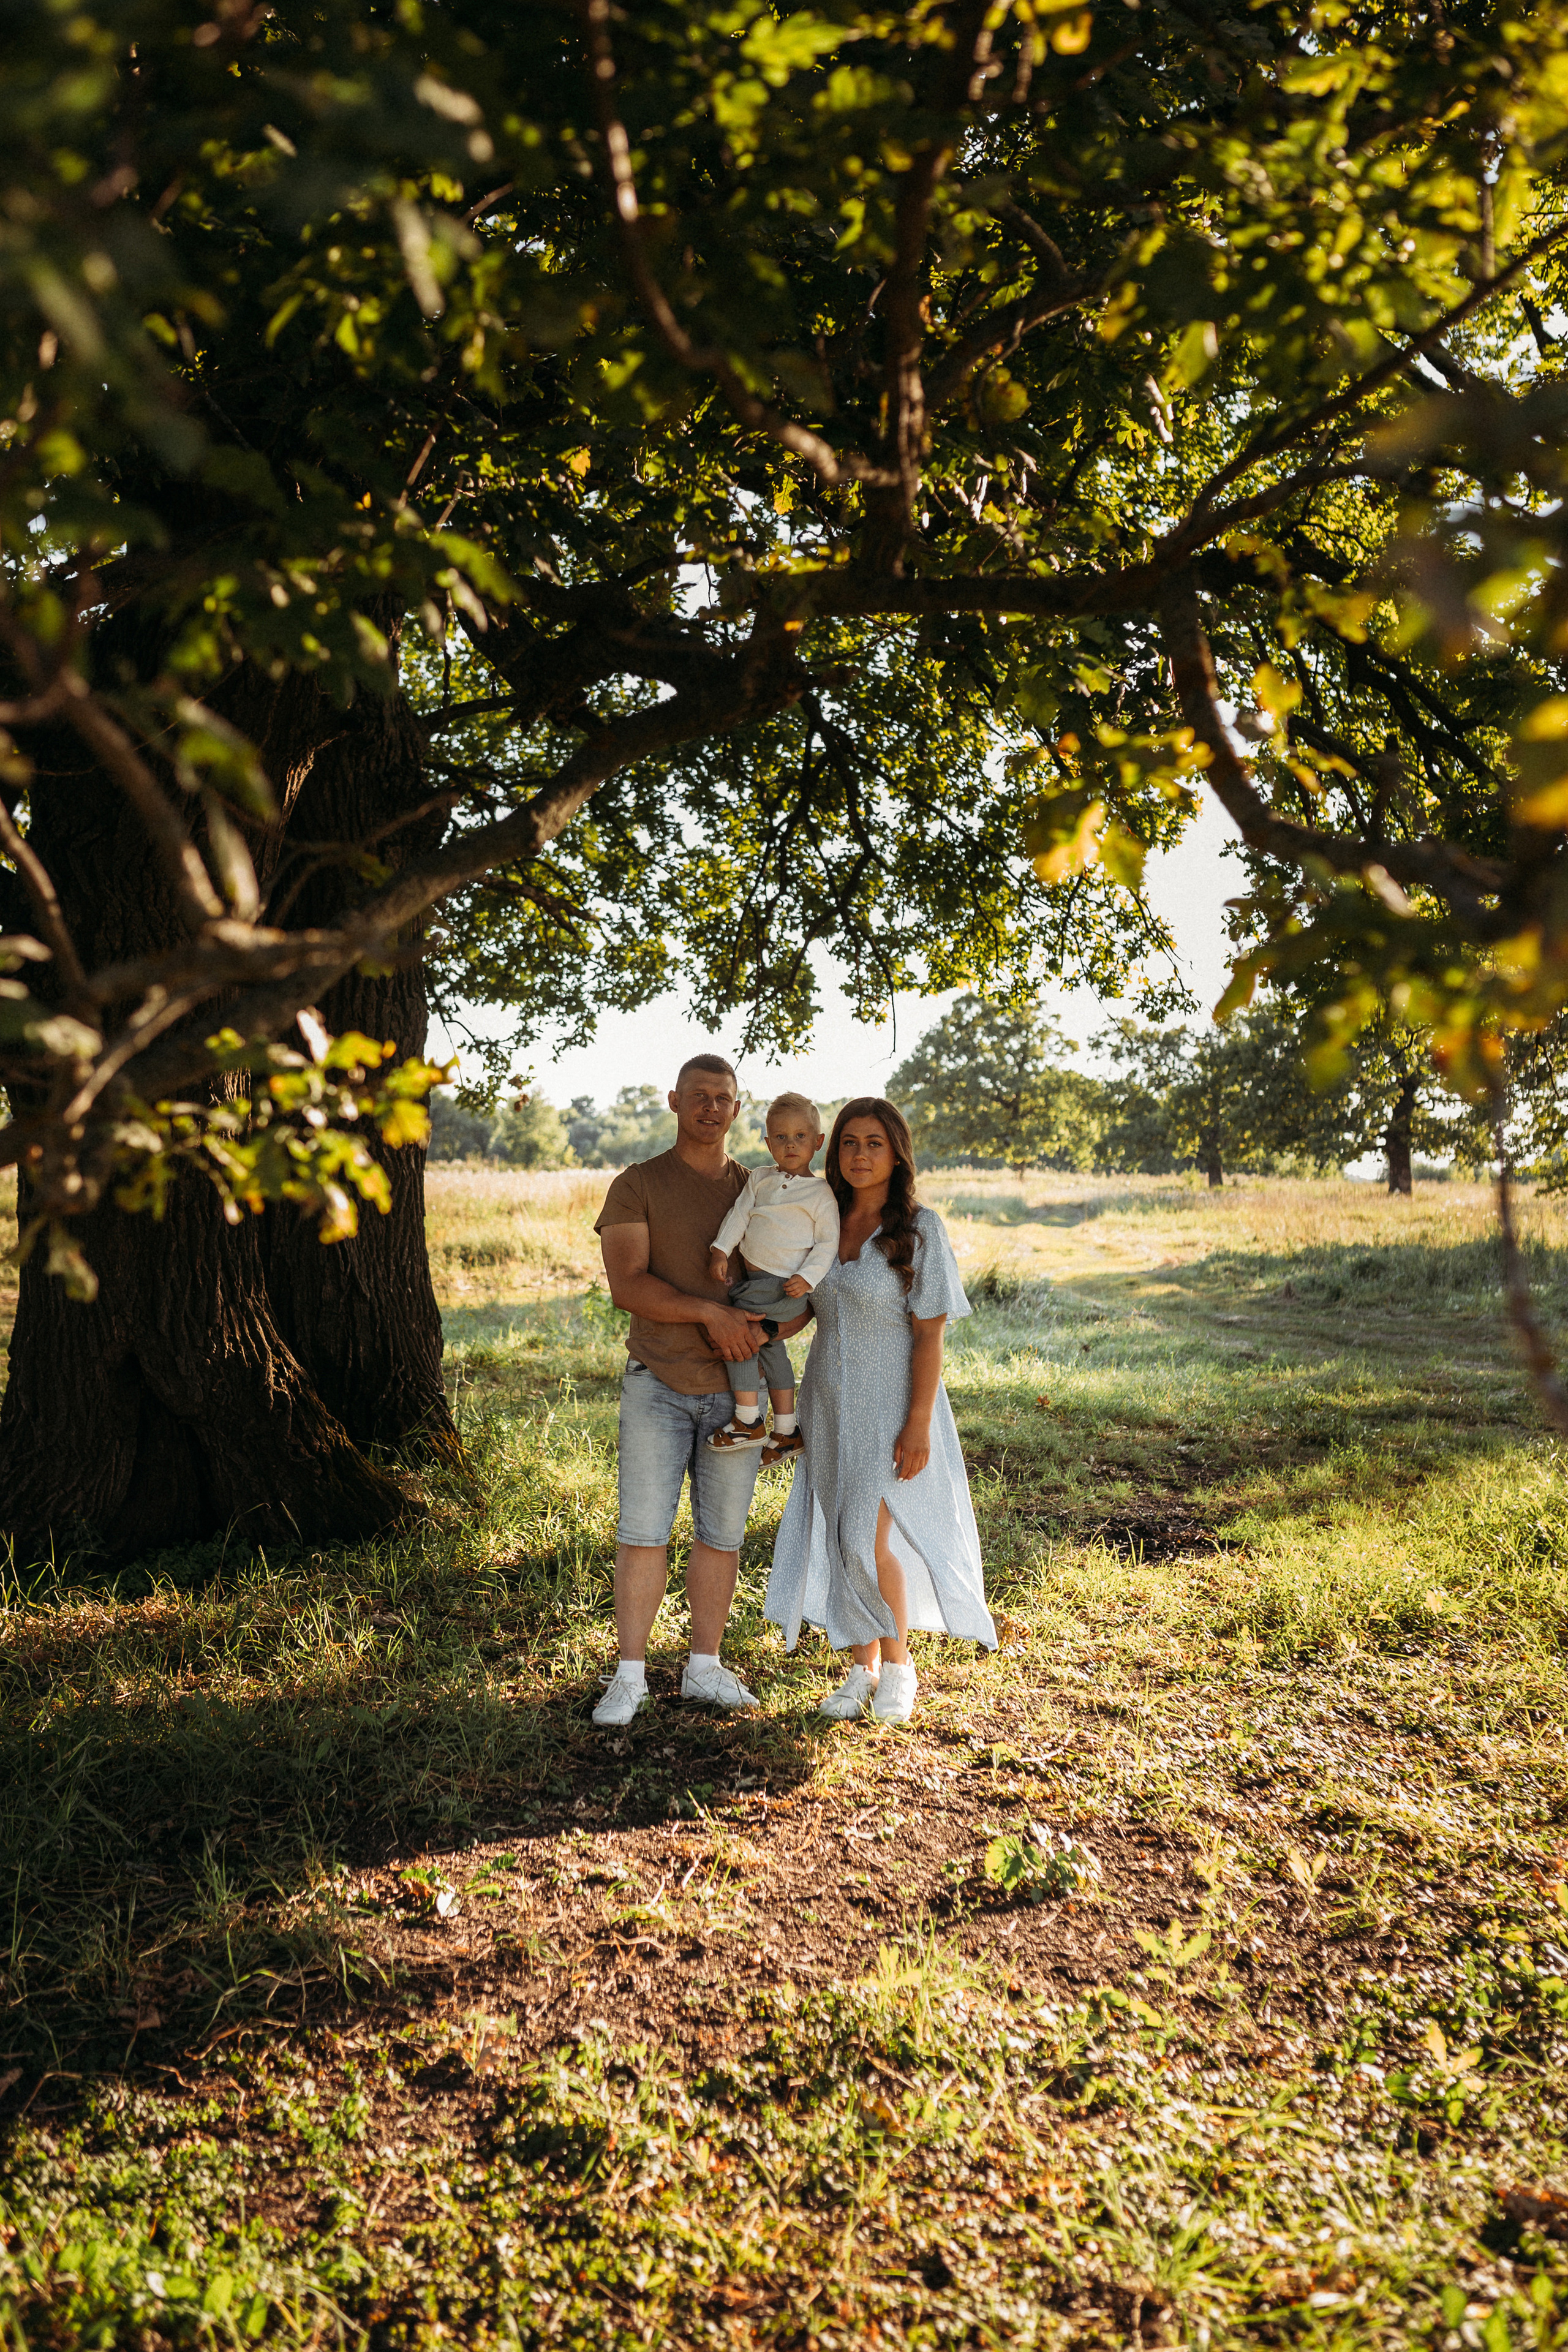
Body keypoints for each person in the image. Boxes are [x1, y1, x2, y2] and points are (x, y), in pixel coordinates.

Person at [592, 1053, 809, 1728]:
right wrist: (710, 1314)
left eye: (724, 1097)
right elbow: (628, 1284)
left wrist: (762, 1329)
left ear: (739, 1109)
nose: (711, 1107)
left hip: (735, 1397)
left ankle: (705, 1667)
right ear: (674, 1100)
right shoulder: (638, 1185)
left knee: (722, 1536)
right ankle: (629, 1677)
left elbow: (797, 1291)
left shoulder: (767, 1189)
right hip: (656, 1382)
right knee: (643, 1532)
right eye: (699, 1095)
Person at [763, 1096, 995, 1725]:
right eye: (848, 1143)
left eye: (874, 1143)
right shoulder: (821, 1220)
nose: (860, 1155)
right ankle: (860, 1668)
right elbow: (798, 1314)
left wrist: (917, 1422)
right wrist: (743, 1322)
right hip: (827, 1402)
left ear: (896, 1154)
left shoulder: (920, 1229)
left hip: (892, 1405)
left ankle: (898, 1668)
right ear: (832, 1153)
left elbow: (929, 1333)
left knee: (867, 1539)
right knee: (843, 1536)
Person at [705, 1091, 839, 1463]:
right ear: (767, 1143)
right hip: (756, 1280)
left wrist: (808, 1278)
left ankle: (748, 1419)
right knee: (768, 1346)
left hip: (783, 1284)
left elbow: (828, 1243)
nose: (790, 1144)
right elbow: (739, 1215)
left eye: (800, 1137)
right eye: (780, 1137)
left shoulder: (821, 1193)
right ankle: (786, 1430)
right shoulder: (760, 1180)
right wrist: (721, 1249)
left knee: (739, 1336)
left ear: (818, 1142)